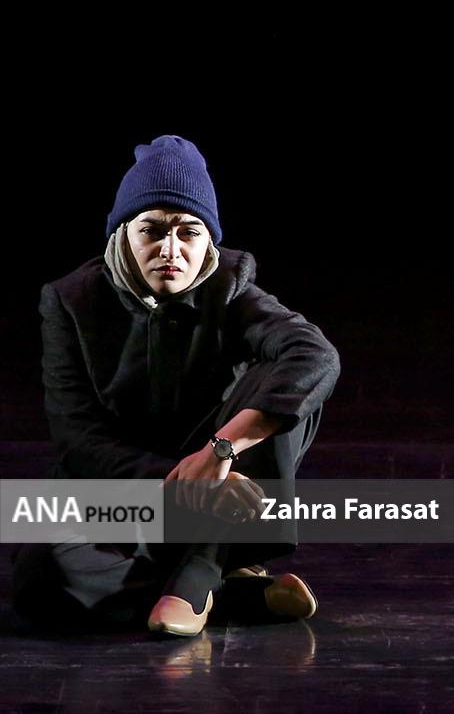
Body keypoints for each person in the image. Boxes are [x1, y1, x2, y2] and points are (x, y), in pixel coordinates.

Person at [13, 135, 341, 635]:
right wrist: (184, 483)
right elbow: (77, 437)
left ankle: (202, 566)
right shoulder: (69, 301)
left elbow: (316, 355)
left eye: (188, 232)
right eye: (152, 230)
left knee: (289, 378)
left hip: (224, 481)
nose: (171, 250)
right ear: (123, 235)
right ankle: (229, 591)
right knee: (40, 584)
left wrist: (221, 450)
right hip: (131, 489)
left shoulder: (230, 286)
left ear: (208, 241)